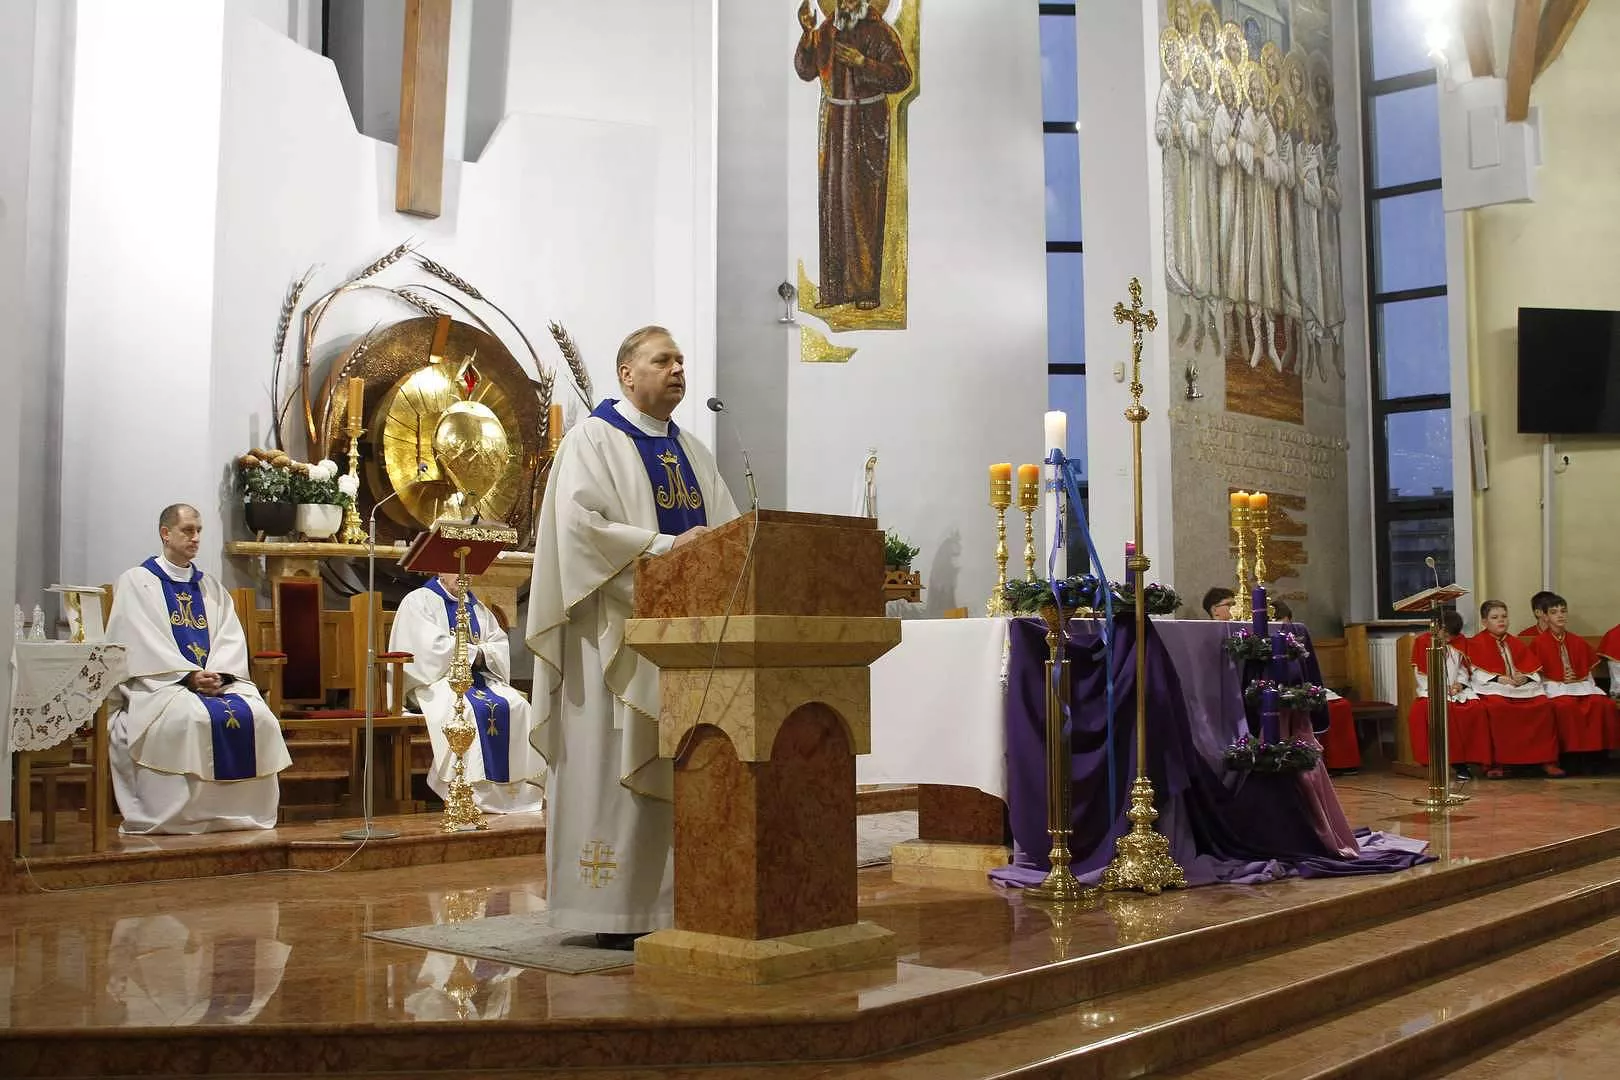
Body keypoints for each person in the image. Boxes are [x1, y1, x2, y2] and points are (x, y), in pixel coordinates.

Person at [525, 326, 741, 949]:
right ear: (626, 373)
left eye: (681, 360)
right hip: (610, 643)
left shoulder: (693, 450)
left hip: (686, 644)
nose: (677, 370)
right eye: (662, 360)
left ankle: (674, 902)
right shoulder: (592, 440)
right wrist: (669, 547)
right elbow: (580, 533)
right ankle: (613, 910)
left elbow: (729, 533)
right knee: (608, 768)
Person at [104, 504, 292, 833]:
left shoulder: (211, 588)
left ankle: (244, 812)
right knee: (190, 718)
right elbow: (139, 641)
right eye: (188, 530)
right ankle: (179, 816)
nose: (195, 538)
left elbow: (228, 638)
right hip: (162, 683)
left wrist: (220, 673)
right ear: (165, 534)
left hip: (215, 681)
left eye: (199, 531)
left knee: (260, 717)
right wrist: (187, 675)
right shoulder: (137, 582)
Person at [390, 573, 546, 813]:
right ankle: (467, 791)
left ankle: (518, 792)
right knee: (468, 710)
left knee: (519, 706)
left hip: (479, 679)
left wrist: (478, 654)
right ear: (440, 571)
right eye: (456, 569)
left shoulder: (478, 608)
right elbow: (428, 649)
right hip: (436, 681)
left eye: (468, 571)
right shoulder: (420, 600)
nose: (463, 576)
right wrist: (475, 652)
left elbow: (498, 645)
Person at [794, 0, 914, 310]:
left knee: (863, 207)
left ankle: (865, 291)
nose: (846, 2)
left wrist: (863, 62)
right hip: (835, 127)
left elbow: (902, 77)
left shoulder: (880, 32)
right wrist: (807, 34)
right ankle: (834, 291)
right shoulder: (826, 30)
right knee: (833, 204)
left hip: (866, 126)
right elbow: (806, 71)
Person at [1465, 600, 1563, 779]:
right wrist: (1498, 678)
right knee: (1497, 707)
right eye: (1495, 617)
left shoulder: (1515, 641)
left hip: (1519, 687)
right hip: (1494, 687)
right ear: (1484, 622)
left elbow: (1532, 668)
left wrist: (1525, 677)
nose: (1501, 620)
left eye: (1504, 616)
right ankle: (1497, 763)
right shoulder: (1476, 643)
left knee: (1543, 705)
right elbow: (1475, 672)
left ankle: (1547, 760)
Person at [1529, 593, 1619, 765]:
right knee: (1565, 706)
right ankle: (1570, 756)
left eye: (1563, 611)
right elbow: (1536, 674)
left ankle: (1598, 755)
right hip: (1553, 687)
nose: (1560, 615)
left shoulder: (1577, 641)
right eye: (1554, 612)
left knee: (1602, 704)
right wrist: (1558, 678)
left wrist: (1578, 677)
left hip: (1580, 685)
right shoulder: (1539, 643)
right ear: (1545, 617)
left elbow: (1587, 673)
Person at [1273, 601, 1359, 772]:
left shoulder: (1298, 637)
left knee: (1341, 705)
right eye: (1280, 625)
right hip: (1280, 689)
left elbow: (1311, 669)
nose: (1286, 630)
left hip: (1301, 686)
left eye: (1287, 623)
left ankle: (1342, 763)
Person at [1407, 610, 1491, 776]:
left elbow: (1462, 668)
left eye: (1451, 637)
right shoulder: (1423, 642)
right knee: (1437, 711)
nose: (1447, 640)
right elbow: (1421, 674)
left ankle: (1468, 760)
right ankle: (1445, 763)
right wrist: (1440, 687)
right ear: (1436, 628)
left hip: (1455, 689)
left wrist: (1459, 684)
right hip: (1432, 690)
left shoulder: (1459, 642)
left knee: (1476, 709)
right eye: (1445, 635)